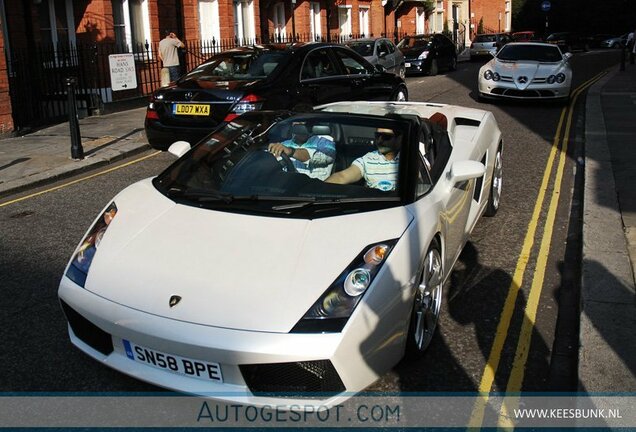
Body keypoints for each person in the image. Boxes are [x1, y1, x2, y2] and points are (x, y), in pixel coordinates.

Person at [326, 127, 401, 191]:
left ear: (399, 138)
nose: (380, 140)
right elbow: (342, 176)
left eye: (386, 137)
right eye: (378, 135)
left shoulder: (409, 159)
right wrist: (320, 189)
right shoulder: (368, 159)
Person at [267, 123, 336, 180]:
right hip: (287, 190)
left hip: (316, 191)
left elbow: (319, 158)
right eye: (297, 124)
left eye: (302, 124)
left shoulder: (326, 142)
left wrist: (291, 151)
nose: (300, 127)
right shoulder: (285, 144)